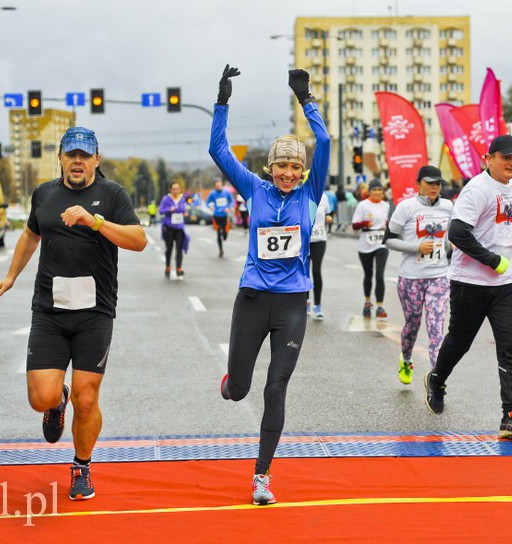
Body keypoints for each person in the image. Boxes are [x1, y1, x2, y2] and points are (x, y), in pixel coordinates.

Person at [0, 127, 147, 500]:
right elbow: (31, 234)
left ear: (96, 159)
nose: (78, 161)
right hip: (50, 310)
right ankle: (56, 402)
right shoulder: (44, 193)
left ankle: (81, 466)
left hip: (95, 312)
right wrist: (11, 276)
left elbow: (139, 241)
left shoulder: (112, 195)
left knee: (87, 398)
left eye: (85, 155)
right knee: (39, 397)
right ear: (59, 157)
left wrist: (95, 222)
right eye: (71, 154)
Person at [209, 65, 330, 505]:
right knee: (239, 390)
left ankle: (262, 476)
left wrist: (306, 98)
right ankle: (229, 382)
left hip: (293, 304)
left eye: (295, 166)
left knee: (275, 387)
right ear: (270, 166)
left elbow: (327, 143)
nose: (288, 172)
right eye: (281, 164)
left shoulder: (310, 193)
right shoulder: (254, 188)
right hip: (253, 300)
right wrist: (222, 101)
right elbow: (217, 150)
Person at [424, 135, 512, 439]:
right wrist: (491, 260)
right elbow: (458, 232)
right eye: (506, 158)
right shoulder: (476, 189)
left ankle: (511, 416)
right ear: (489, 159)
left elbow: (506, 224)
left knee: (510, 346)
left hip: (504, 284)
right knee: (460, 342)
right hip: (470, 282)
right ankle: (437, 379)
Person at [385, 165, 453, 385]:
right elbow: (388, 240)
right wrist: (416, 248)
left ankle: (437, 379)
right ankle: (406, 358)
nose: (435, 187)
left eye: (438, 183)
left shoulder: (448, 206)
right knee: (412, 326)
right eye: (430, 183)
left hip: (439, 275)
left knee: (436, 327)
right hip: (411, 278)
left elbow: (452, 237)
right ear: (419, 183)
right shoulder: (406, 207)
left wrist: (448, 248)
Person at [352, 179, 390, 318]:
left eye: (380, 190)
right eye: (375, 190)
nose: (378, 192)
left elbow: (385, 222)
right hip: (366, 242)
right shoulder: (362, 205)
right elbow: (354, 225)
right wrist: (365, 223)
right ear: (370, 191)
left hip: (381, 242)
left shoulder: (385, 205)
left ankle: (380, 306)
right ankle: (367, 302)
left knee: (379, 274)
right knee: (368, 274)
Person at [307, 190, 332, 319]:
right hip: (303, 241)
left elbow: (328, 213)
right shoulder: (302, 194)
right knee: (304, 271)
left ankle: (318, 305)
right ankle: (305, 301)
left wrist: (328, 218)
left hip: (319, 240)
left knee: (316, 270)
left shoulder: (324, 197)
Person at [159, 180, 189, 279]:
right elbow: (160, 211)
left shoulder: (182, 198)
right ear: (170, 190)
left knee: (179, 249)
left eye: (178, 189)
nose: (176, 191)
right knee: (169, 248)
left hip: (179, 227)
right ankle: (168, 266)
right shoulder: (166, 199)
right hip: (169, 227)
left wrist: (185, 213)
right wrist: (169, 210)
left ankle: (179, 268)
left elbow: (183, 209)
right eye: (174, 189)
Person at [206, 178, 234, 257]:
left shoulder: (226, 192)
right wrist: (210, 207)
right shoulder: (212, 193)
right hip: (216, 215)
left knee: (224, 232)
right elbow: (207, 202)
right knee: (218, 233)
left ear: (221, 183)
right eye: (216, 183)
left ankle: (225, 233)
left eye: (219, 183)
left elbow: (232, 200)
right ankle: (221, 250)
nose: (218, 184)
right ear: (215, 184)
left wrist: (229, 207)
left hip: (224, 215)